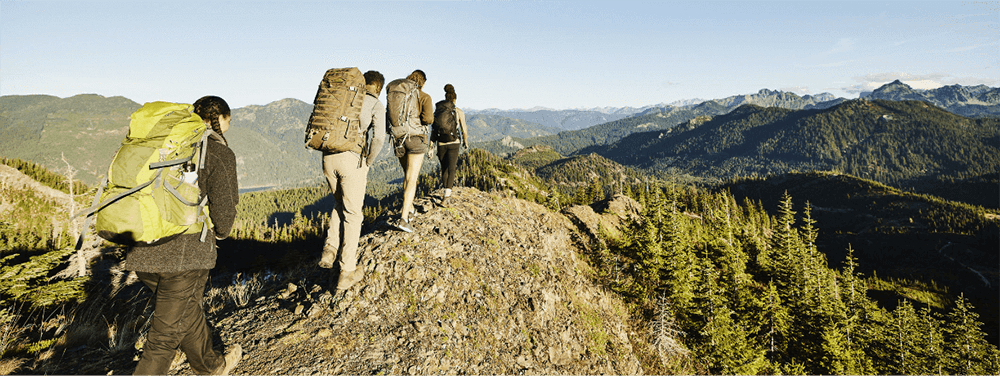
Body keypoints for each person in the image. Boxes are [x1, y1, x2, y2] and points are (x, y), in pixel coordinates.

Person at [124, 96, 241, 376]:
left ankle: (211, 366)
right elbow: (224, 215)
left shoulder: (159, 144)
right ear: (221, 120)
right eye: (229, 120)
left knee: (185, 311)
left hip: (142, 251)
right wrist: (219, 234)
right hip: (184, 258)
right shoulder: (218, 152)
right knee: (162, 340)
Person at [318, 70, 387, 291]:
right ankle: (346, 271)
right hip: (352, 158)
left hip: (328, 157)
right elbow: (378, 137)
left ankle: (329, 250)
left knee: (340, 204)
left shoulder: (346, 96)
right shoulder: (375, 103)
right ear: (379, 88)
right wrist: (369, 160)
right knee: (354, 214)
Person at [392, 69, 434, 233]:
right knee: (412, 177)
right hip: (416, 139)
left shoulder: (399, 96)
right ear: (423, 82)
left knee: (407, 175)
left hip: (399, 139)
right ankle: (404, 218)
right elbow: (428, 119)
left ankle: (409, 208)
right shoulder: (424, 97)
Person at [431, 84, 468, 206]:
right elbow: (464, 130)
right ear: (455, 100)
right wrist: (465, 142)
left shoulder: (439, 111)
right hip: (454, 143)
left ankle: (445, 192)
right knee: (451, 168)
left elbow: (434, 129)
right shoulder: (458, 111)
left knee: (444, 168)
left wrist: (431, 146)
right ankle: (447, 196)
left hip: (441, 143)